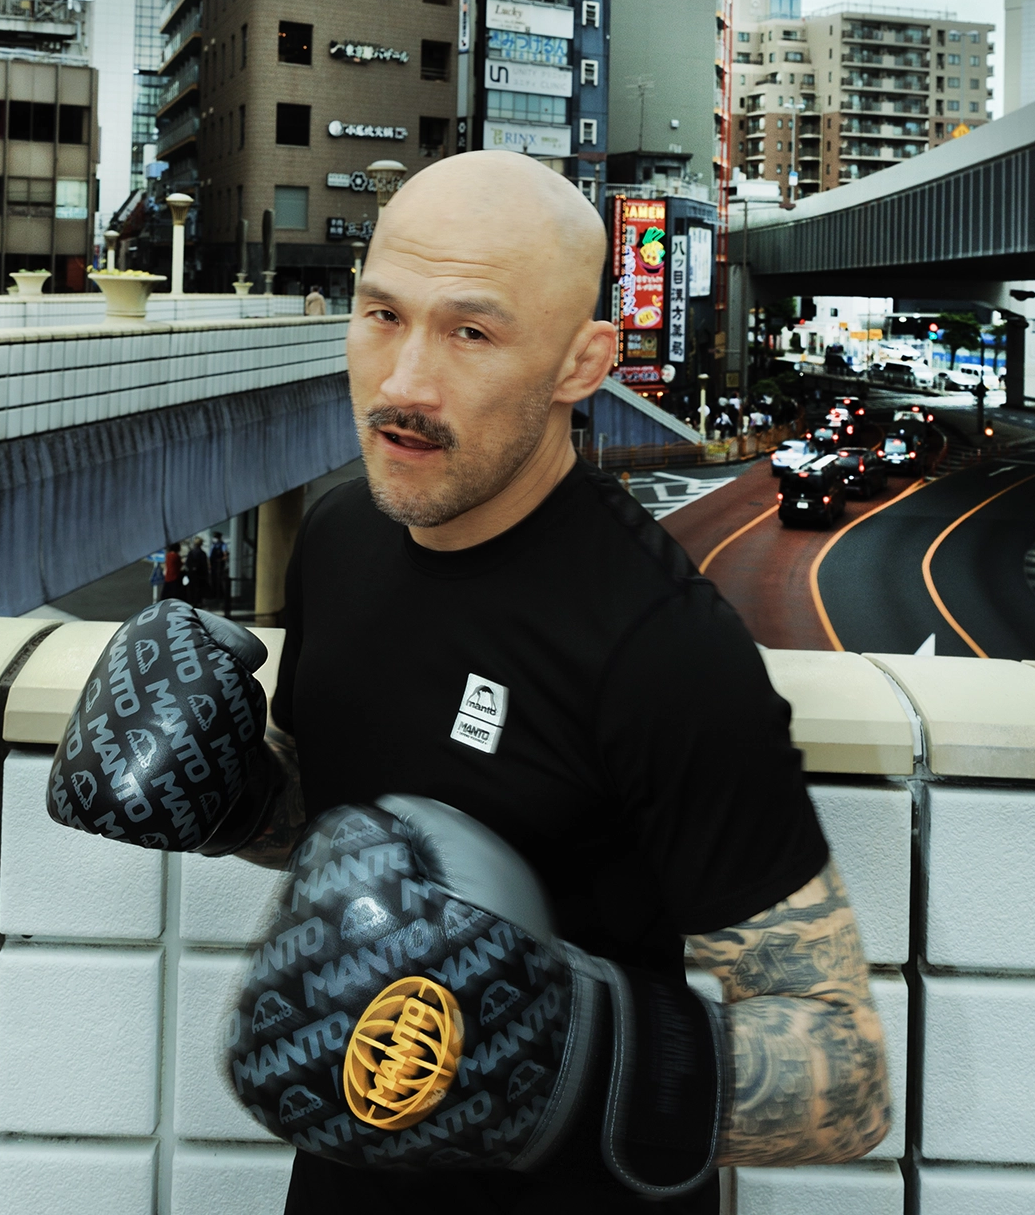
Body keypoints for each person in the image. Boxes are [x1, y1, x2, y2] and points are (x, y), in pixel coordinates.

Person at [50, 151, 888, 1207]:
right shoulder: (343, 534)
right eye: (383, 315)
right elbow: (343, 823)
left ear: (582, 363)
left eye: (472, 333)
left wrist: (574, 1052)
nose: (403, 382)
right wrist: (236, 795)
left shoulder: (664, 649)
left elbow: (844, 1077)